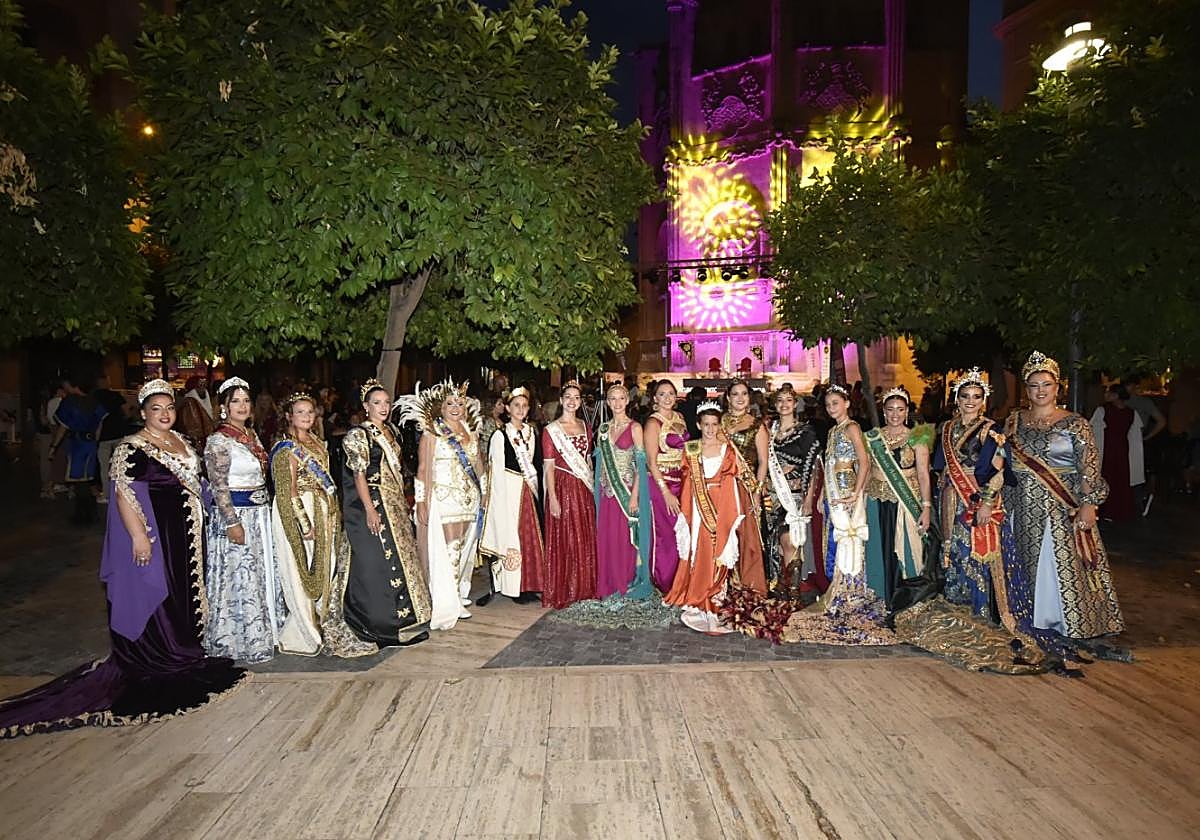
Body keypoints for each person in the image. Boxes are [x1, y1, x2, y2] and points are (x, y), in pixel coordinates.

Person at [0, 380, 246, 738]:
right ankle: (161, 653)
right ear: (143, 413)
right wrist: (137, 538)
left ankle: (184, 647)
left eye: (169, 408)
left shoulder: (182, 442)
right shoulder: (132, 448)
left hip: (186, 537)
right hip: (155, 535)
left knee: (184, 591)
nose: (164, 414)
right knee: (158, 591)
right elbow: (124, 494)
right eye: (156, 409)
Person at [1002, 352, 1124, 640]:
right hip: (1018, 505)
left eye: (1046, 384)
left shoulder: (1075, 424)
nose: (1040, 390)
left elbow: (1089, 467)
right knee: (1020, 560)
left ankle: (1058, 620)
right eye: (1034, 385)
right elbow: (1001, 460)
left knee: (1055, 563)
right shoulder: (1014, 421)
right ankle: (1022, 616)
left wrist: (1089, 503)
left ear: (1058, 387)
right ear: (1026, 389)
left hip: (1058, 507)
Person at [270, 393, 375, 657]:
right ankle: (303, 630)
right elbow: (288, 491)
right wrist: (304, 524)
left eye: (310, 412)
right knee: (301, 570)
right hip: (299, 512)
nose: (306, 417)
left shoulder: (316, 442)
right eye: (300, 412)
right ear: (288, 416)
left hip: (322, 510)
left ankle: (320, 619)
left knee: (324, 567)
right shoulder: (287, 447)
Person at [341, 379, 431, 646]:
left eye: (387, 402)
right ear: (366, 406)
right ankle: (383, 622)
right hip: (375, 502)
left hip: (393, 503)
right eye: (377, 403)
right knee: (381, 561)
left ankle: (407, 617)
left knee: (402, 556)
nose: (383, 407)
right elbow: (359, 476)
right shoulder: (359, 435)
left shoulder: (391, 431)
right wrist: (369, 510)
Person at [665, 401, 765, 633]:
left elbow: (735, 479)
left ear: (719, 425)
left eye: (714, 424)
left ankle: (716, 597)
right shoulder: (691, 448)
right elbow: (688, 482)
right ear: (699, 425)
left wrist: (735, 510)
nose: (710, 429)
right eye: (706, 424)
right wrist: (689, 511)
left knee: (720, 551)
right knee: (701, 552)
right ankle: (700, 595)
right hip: (699, 509)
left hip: (722, 507)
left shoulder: (727, 449)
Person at [204, 377, 282, 663]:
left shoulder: (251, 436)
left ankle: (267, 630)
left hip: (259, 514)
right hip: (237, 517)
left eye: (246, 400)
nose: (242, 406)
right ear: (224, 407)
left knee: (259, 573)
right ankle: (238, 637)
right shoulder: (219, 440)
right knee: (241, 574)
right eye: (235, 401)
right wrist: (231, 522)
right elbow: (218, 486)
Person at [398, 380, 486, 630]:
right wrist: (421, 501)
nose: (455, 407)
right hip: (444, 497)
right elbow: (423, 469)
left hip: (468, 497)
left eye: (459, 403)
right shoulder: (432, 433)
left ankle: (456, 593)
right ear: (441, 407)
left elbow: (478, 464)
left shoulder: (470, 431)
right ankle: (447, 600)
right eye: (450, 403)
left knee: (463, 548)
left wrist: (486, 490)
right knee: (450, 549)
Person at [933, 368, 1007, 621]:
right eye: (965, 395)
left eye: (976, 396)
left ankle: (979, 608)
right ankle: (954, 602)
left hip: (976, 495)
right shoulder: (946, 428)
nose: (970, 401)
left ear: (983, 400)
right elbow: (940, 467)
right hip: (949, 496)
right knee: (951, 547)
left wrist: (986, 503)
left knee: (974, 551)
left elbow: (1000, 471)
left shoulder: (991, 429)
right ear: (957, 398)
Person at [863, 387, 937, 612]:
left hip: (905, 502)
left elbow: (923, 473)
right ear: (884, 412)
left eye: (900, 409)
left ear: (907, 412)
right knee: (877, 548)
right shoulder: (871, 437)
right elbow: (865, 470)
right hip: (876, 500)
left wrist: (925, 507)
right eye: (890, 409)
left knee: (904, 550)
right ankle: (877, 597)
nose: (895, 414)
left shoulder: (918, 436)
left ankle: (901, 601)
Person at [480, 386, 545, 604]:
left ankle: (530, 582)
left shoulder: (532, 432)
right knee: (512, 536)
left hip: (529, 490)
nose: (520, 409)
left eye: (524, 405)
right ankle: (513, 585)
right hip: (509, 492)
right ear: (508, 408)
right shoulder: (500, 435)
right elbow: (496, 471)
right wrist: (498, 501)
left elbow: (537, 464)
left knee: (530, 536)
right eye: (516, 405)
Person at [593, 383, 653, 599]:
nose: (617, 403)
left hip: (626, 492)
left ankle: (626, 581)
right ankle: (608, 581)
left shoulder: (635, 427)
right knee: (607, 538)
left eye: (621, 398)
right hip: (606, 493)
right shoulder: (603, 429)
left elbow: (641, 464)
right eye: (612, 399)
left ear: (627, 401)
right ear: (607, 402)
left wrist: (635, 496)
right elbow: (600, 463)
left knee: (624, 538)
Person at [764, 383, 824, 599]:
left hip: (794, 497)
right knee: (777, 542)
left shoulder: (805, 432)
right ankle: (780, 584)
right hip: (772, 497)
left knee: (791, 540)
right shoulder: (768, 431)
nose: (784, 404)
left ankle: (794, 590)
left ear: (795, 403)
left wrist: (809, 499)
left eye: (788, 400)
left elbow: (815, 467)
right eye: (780, 400)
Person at [541, 381, 598, 608]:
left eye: (576, 397)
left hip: (582, 489)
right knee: (565, 536)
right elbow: (549, 467)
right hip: (562, 487)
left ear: (580, 401)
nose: (572, 401)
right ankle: (565, 589)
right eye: (568, 397)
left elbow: (587, 462)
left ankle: (585, 586)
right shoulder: (550, 431)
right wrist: (553, 498)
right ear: (562, 400)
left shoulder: (586, 426)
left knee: (583, 535)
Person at [644, 380, 689, 592]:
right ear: (655, 398)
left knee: (682, 532)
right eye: (662, 394)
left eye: (671, 393)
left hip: (682, 481)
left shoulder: (680, 418)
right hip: (661, 484)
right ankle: (664, 582)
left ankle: (681, 579)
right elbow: (651, 462)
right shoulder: (653, 423)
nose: (668, 397)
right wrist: (665, 492)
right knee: (666, 534)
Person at [49, 375, 107, 523]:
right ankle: (90, 514)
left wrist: (54, 446)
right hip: (90, 443)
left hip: (77, 443)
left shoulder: (69, 403)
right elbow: (100, 424)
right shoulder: (95, 402)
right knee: (87, 479)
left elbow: (63, 427)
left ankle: (82, 515)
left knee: (78, 479)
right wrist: (95, 440)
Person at [1090, 384, 1143, 522]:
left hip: (1111, 449)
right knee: (1117, 479)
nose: (1106, 394)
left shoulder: (1104, 410)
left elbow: (1094, 433)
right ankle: (1117, 511)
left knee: (1111, 478)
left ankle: (1109, 511)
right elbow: (1135, 436)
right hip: (1120, 449)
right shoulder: (1129, 413)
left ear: (1116, 395)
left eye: (1109, 392)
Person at [721, 381, 769, 524]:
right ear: (728, 398)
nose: (740, 398)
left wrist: (757, 492)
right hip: (722, 482)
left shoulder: (757, 425)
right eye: (735, 394)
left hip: (746, 484)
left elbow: (763, 461)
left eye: (744, 393)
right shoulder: (718, 421)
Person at [93, 375, 129, 505]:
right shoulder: (115, 396)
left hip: (103, 436)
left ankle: (107, 494)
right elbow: (126, 411)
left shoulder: (94, 397)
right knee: (120, 464)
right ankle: (124, 492)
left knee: (104, 466)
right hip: (118, 433)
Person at [177, 375, 215, 450]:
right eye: (200, 385)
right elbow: (189, 428)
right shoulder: (188, 403)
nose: (203, 388)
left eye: (204, 385)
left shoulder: (209, 400)